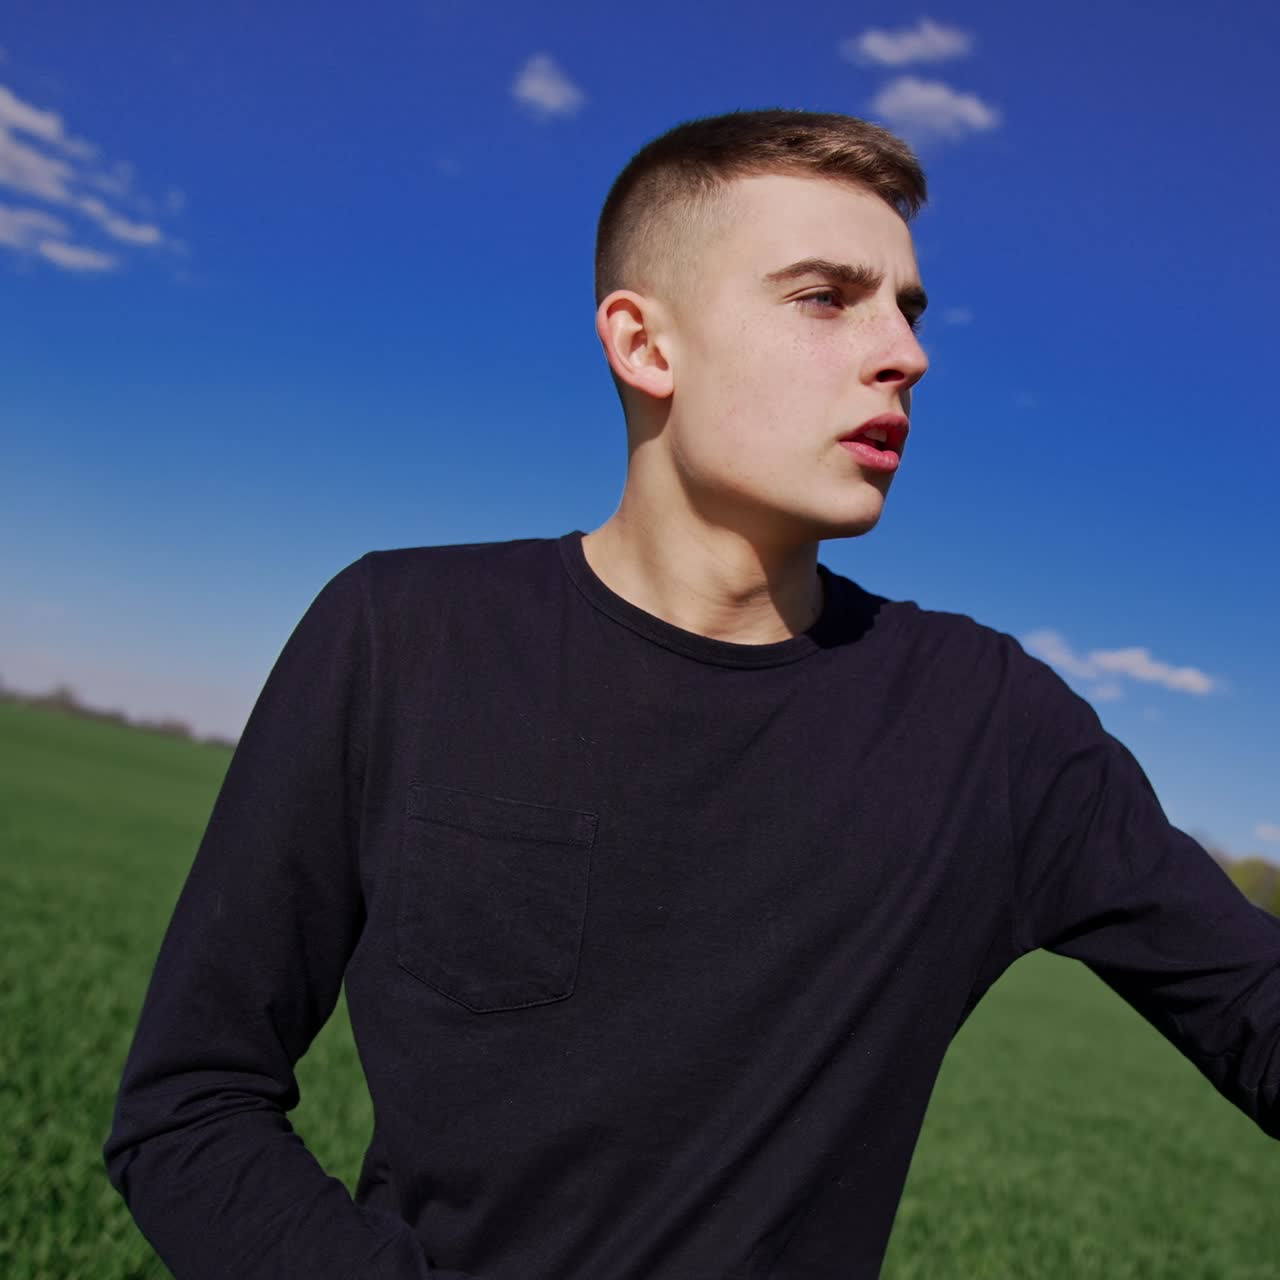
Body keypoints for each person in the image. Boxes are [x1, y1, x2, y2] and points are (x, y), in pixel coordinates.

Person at [104, 109, 1279, 1279]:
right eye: (826, 296)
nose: (904, 352)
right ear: (644, 346)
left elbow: (1250, 1002)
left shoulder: (992, 724)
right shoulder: (401, 635)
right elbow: (190, 1106)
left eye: (908, 309)